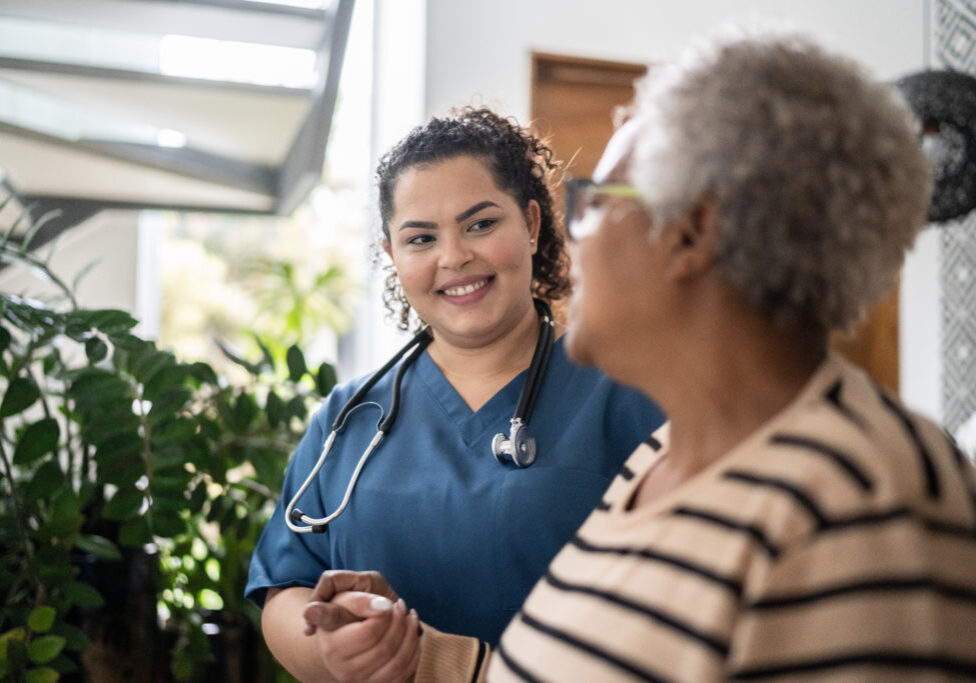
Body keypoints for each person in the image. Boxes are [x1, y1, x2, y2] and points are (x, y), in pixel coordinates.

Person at [309, 30, 976, 681]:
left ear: (691, 232)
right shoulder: (658, 467)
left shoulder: (858, 496)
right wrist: (410, 647)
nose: (573, 233)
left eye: (596, 202)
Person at [246, 107, 665, 681]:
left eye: (480, 224)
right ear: (393, 257)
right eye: (421, 238)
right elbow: (286, 590)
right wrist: (342, 648)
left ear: (533, 224)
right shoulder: (349, 416)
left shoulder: (629, 399)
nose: (453, 257)